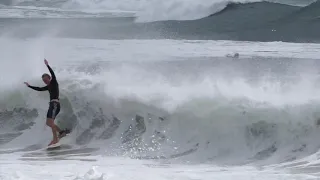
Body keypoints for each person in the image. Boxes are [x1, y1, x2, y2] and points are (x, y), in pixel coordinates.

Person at [24, 59, 69, 146]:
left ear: (50, 78)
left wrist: (47, 65)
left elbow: (53, 74)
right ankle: (60, 134)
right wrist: (29, 86)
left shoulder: (54, 82)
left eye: (46, 80)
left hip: (55, 104)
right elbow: (39, 89)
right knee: (49, 123)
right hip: (52, 105)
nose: (45, 81)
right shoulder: (48, 87)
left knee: (50, 123)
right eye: (44, 81)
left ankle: (57, 137)